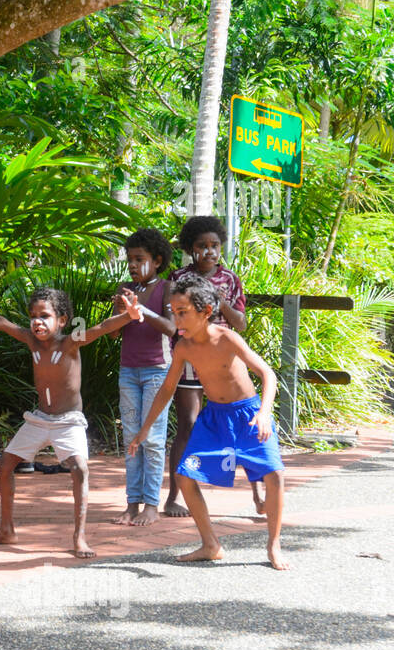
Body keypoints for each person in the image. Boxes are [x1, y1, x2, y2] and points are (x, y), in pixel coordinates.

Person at [0, 287, 141, 558]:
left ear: (62, 320)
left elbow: (100, 327)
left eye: (45, 316)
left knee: (80, 470)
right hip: (39, 419)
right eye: (33, 316)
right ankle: (6, 529)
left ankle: (79, 536)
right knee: (4, 465)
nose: (37, 321)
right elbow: (0, 322)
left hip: (68, 421)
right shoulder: (30, 340)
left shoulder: (70, 341)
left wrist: (128, 317)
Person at [128, 273, 288, 570]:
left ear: (205, 312)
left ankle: (274, 544)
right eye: (174, 313)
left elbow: (268, 374)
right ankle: (210, 544)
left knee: (275, 475)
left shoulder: (227, 338)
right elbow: (167, 389)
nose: (177, 321)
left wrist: (264, 413)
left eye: (183, 313)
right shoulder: (184, 347)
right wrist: (145, 429)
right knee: (184, 476)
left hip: (248, 415)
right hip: (214, 418)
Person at [163, 215, 252, 517]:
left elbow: (239, 322)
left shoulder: (230, 280)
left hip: (222, 362)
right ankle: (174, 496)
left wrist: (221, 301)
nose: (210, 251)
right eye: (202, 246)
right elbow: (173, 322)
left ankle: (258, 492)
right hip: (188, 359)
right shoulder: (177, 278)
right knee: (187, 424)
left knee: (238, 424)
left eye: (215, 245)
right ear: (190, 248)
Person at [110, 228, 176, 526]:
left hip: (157, 372)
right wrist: (121, 311)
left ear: (157, 260)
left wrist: (141, 310)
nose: (133, 265)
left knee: (152, 438)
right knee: (130, 439)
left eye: (140, 259)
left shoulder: (167, 288)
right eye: (130, 260)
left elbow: (172, 328)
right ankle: (132, 503)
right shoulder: (125, 289)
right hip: (128, 371)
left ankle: (151, 504)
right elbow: (113, 334)